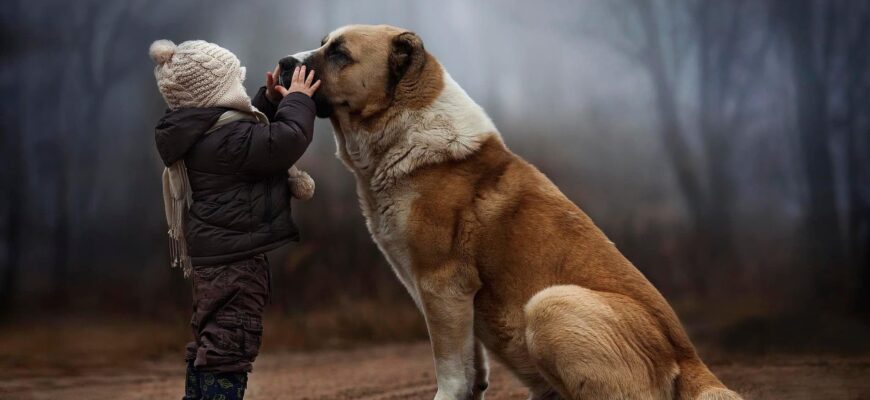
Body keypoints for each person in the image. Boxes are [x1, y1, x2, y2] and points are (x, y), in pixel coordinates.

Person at [149, 39, 320, 399]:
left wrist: (270, 101)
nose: (240, 92)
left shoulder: (203, 134)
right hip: (237, 264)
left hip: (215, 258)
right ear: (219, 93)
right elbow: (285, 140)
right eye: (235, 85)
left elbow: (246, 136)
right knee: (230, 344)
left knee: (214, 338)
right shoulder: (229, 141)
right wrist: (298, 100)